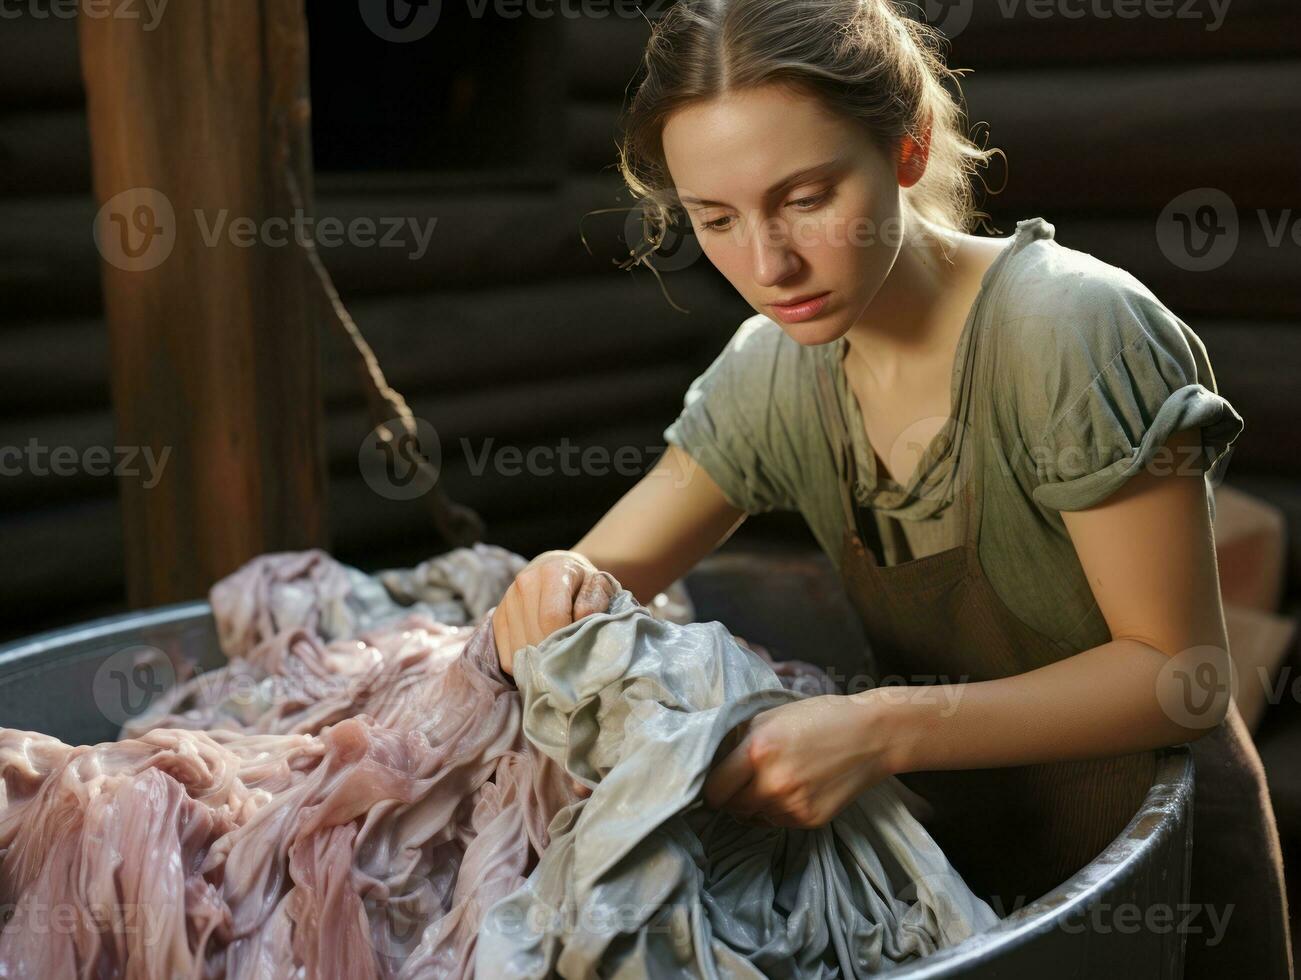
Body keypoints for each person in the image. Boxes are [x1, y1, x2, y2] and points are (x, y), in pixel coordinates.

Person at [490, 1, 1292, 976]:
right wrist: (556, 578)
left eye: (806, 196)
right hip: (950, 860)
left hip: (1148, 860)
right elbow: (603, 567)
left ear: (905, 150)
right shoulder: (771, 372)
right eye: (714, 218)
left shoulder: (1068, 334)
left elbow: (1178, 677)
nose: (765, 263)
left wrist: (877, 727)